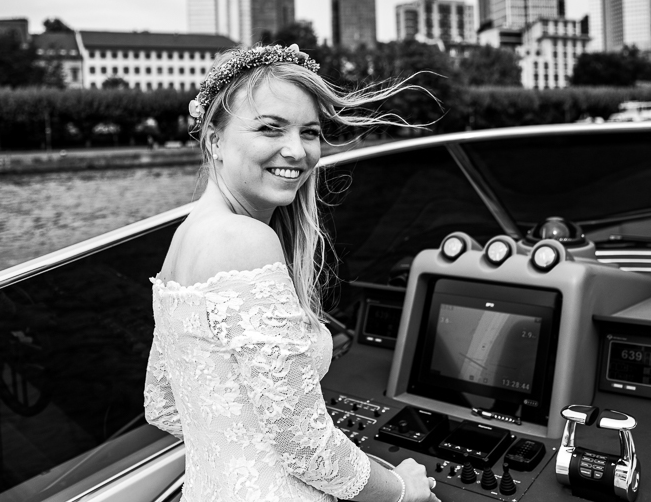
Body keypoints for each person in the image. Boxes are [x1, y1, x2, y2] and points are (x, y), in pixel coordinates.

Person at [144, 44, 439, 502]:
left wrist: (239, 452)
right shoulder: (246, 241)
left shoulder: (182, 242)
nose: (296, 150)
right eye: (270, 128)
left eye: (310, 132)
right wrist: (403, 489)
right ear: (214, 139)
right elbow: (304, 447)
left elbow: (162, 406)